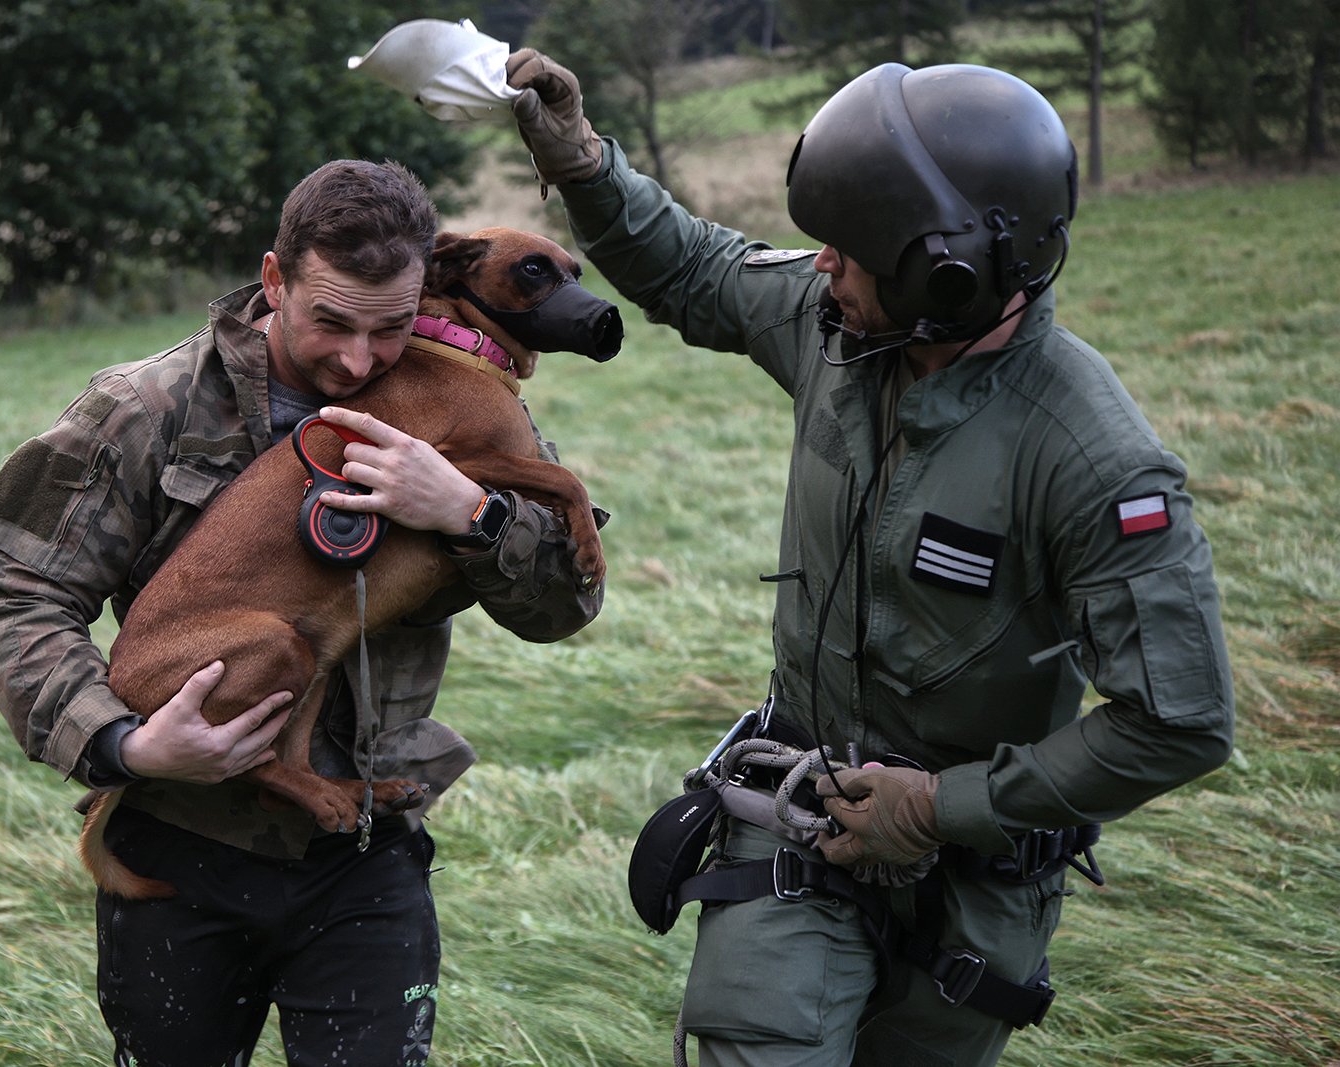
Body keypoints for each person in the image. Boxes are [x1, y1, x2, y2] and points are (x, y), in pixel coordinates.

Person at [504, 52, 1234, 1066]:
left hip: (978, 890)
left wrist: (938, 808)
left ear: (944, 272)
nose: (819, 267)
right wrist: (582, 162)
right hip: (792, 820)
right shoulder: (832, 328)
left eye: (847, 250)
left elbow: (1180, 719)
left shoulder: (1091, 459)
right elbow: (695, 267)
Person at [0, 158, 603, 1067]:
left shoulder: (464, 401)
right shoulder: (147, 407)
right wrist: (121, 744)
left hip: (368, 846)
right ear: (275, 279)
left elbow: (565, 608)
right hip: (182, 844)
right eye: (329, 320)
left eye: (388, 328)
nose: (355, 358)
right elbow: (15, 596)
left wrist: (471, 511)